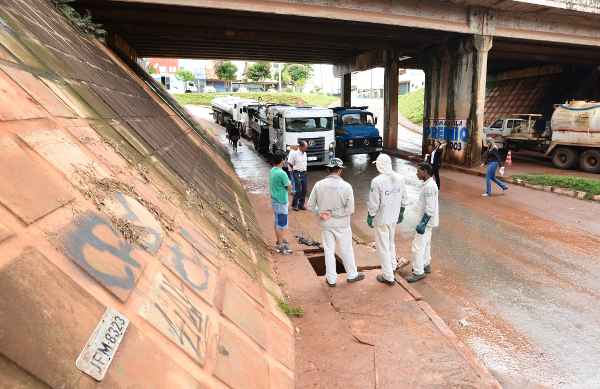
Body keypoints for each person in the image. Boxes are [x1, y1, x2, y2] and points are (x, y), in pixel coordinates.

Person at [307, 158, 365, 287]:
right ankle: (352, 275)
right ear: (340, 170)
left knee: (328, 251)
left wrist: (321, 212)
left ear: (328, 169)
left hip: (326, 224)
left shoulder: (319, 185)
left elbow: (310, 206)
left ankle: (331, 280)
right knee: (346, 250)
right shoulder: (346, 186)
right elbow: (350, 210)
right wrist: (334, 213)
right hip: (342, 224)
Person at [366, 154, 408, 285]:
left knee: (382, 247)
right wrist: (401, 212)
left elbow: (374, 203)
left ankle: (388, 276)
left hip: (381, 218)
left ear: (379, 165)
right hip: (393, 217)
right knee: (390, 243)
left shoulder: (377, 181)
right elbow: (404, 198)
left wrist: (370, 216)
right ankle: (393, 265)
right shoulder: (400, 178)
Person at [407, 162, 439, 283]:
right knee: (426, 244)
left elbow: (430, 208)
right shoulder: (429, 184)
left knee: (417, 247)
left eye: (418, 171)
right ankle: (425, 264)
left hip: (425, 222)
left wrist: (423, 223)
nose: (416, 173)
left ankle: (418, 272)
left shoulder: (430, 186)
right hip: (428, 222)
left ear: (425, 172)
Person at [269, 153, 292, 254]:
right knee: (281, 224)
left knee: (277, 221)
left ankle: (279, 240)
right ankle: (280, 245)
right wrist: (290, 191)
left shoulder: (272, 170)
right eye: (284, 159)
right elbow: (289, 187)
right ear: (282, 160)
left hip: (275, 200)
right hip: (281, 201)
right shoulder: (282, 173)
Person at [288, 141, 308, 211]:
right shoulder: (295, 154)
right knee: (298, 189)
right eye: (305, 147)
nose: (306, 149)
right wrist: (294, 170)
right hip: (297, 173)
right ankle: (294, 205)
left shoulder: (305, 153)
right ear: (301, 147)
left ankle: (301, 205)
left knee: (304, 189)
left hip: (304, 173)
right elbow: (290, 163)